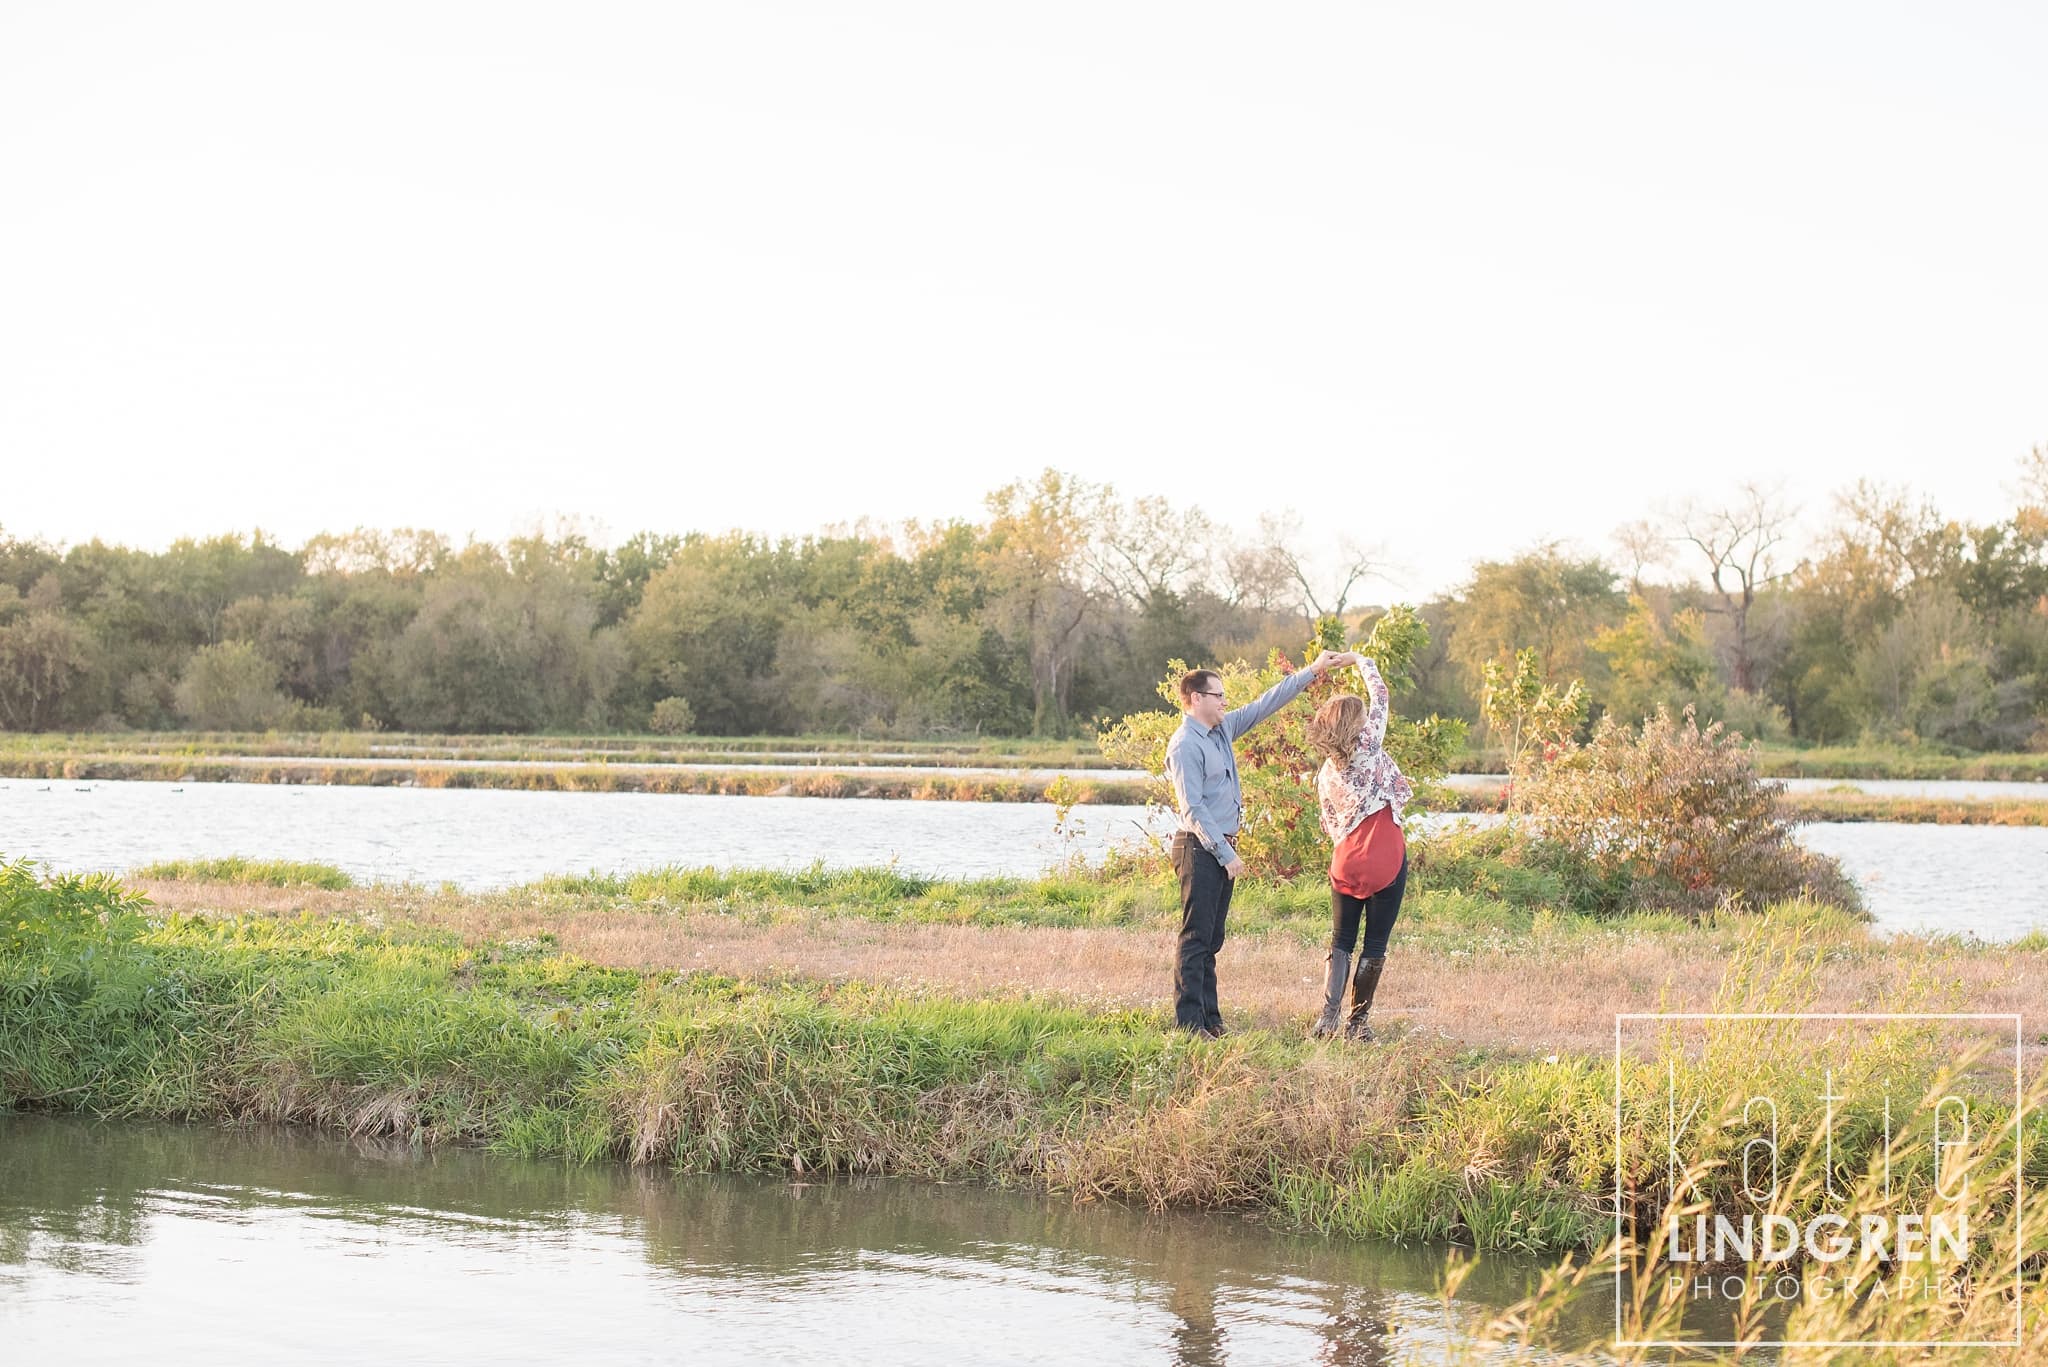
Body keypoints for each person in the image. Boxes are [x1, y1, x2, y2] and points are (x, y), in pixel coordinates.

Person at [1163, 649, 1357, 1037]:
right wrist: (1224, 852)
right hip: (1199, 847)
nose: (1225, 701)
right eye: (1218, 695)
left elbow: (1266, 702)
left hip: (1219, 847)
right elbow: (1193, 810)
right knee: (1196, 937)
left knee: (1213, 938)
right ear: (1196, 699)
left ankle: (1210, 1020)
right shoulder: (1185, 744)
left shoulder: (1223, 730)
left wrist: (1314, 670)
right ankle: (1188, 1025)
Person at [1304, 656, 1415, 1041]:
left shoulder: (1326, 773)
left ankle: (1327, 1019)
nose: (1370, 720)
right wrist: (1359, 659)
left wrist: (1347, 849)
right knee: (1376, 942)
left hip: (1346, 859)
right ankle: (1358, 1024)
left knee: (1341, 939)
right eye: (1364, 716)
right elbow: (1381, 692)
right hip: (1383, 852)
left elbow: (1328, 822)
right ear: (1356, 724)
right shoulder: (1369, 746)